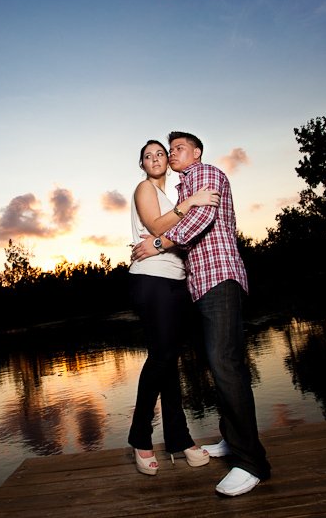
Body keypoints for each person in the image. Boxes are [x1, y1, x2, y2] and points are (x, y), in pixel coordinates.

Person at [131, 131, 272, 496]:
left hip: (219, 276)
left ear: (196, 152)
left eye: (177, 148)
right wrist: (177, 212)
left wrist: (158, 243)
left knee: (226, 365)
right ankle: (233, 439)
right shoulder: (181, 189)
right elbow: (175, 219)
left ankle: (252, 463)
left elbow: (198, 222)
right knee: (217, 364)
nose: (171, 154)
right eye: (165, 150)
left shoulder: (206, 173)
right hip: (198, 282)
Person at [127, 139, 220, 476]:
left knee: (168, 360)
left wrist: (189, 201)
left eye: (160, 154)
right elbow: (156, 226)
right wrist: (193, 202)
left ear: (168, 161)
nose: (154, 159)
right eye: (147, 156)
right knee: (162, 358)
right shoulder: (144, 188)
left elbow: (184, 231)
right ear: (142, 164)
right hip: (151, 280)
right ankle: (140, 436)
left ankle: (179, 438)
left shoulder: (176, 193)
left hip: (176, 279)